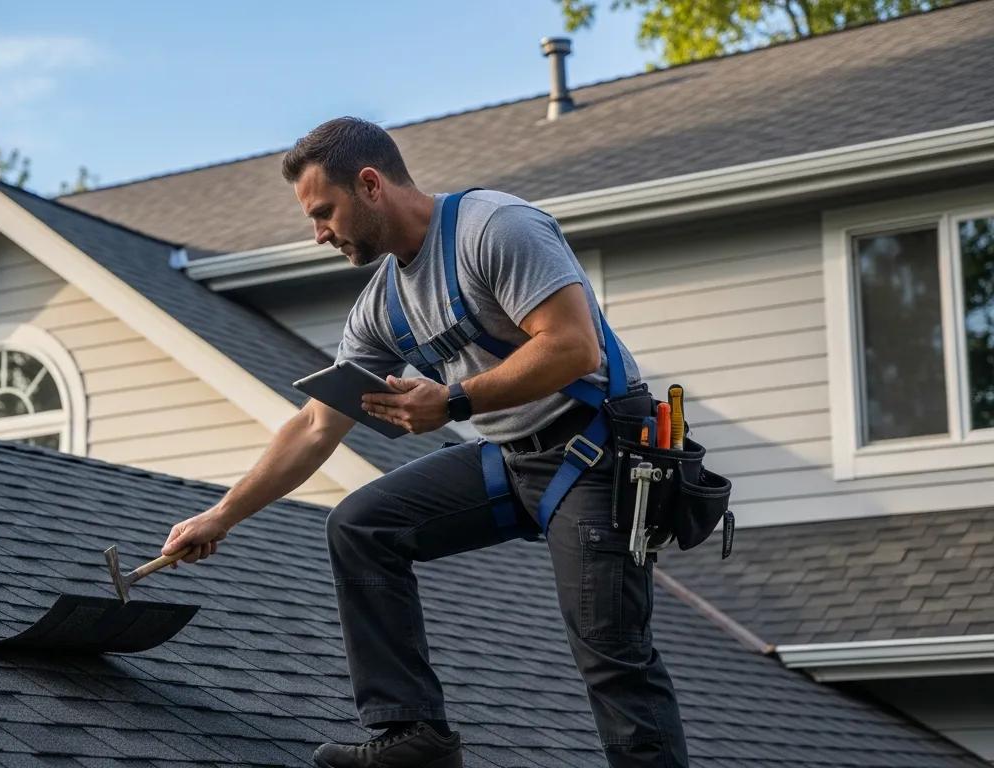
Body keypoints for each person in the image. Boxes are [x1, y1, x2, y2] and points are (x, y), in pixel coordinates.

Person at [161, 116, 688, 768]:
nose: (318, 233)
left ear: (372, 184)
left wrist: (455, 401)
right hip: (513, 458)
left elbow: (572, 345)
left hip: (597, 450)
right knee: (360, 526)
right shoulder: (385, 304)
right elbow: (316, 425)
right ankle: (414, 738)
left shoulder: (494, 229)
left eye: (324, 212)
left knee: (609, 649)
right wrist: (221, 515)